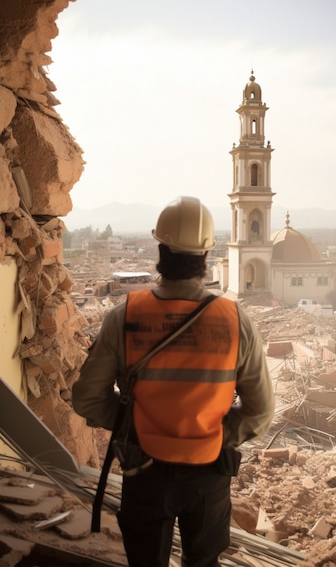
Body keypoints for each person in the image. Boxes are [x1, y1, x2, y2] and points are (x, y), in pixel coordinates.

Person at [72, 196, 275, 567]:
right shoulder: (235, 320)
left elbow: (87, 398)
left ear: (160, 249)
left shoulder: (125, 317)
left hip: (144, 471)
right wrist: (215, 434)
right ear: (207, 256)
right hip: (209, 474)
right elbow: (260, 412)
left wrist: (130, 427)